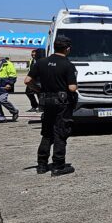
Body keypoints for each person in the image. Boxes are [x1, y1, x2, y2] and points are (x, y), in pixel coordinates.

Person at [24, 36, 79, 176]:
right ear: (67, 49)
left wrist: (38, 90)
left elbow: (27, 80)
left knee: (47, 133)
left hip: (46, 101)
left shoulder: (41, 62)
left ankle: (41, 165)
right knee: (60, 133)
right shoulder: (67, 64)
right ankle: (58, 165)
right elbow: (72, 88)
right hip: (61, 103)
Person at [0, 49, 19, 123]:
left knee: (2, 100)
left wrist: (10, 84)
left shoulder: (7, 63)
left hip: (3, 86)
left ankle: (14, 111)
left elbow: (13, 75)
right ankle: (1, 117)